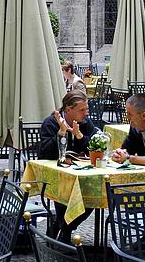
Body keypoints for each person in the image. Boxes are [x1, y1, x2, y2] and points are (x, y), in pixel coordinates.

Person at [37, 91, 97, 244]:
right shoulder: (50, 123)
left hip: (78, 173)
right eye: (82, 110)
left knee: (92, 195)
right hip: (54, 176)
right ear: (68, 109)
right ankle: (65, 231)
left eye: (87, 109)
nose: (86, 113)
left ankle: (61, 225)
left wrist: (80, 136)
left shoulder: (85, 123)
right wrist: (61, 132)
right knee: (64, 192)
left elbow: (93, 148)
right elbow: (45, 153)